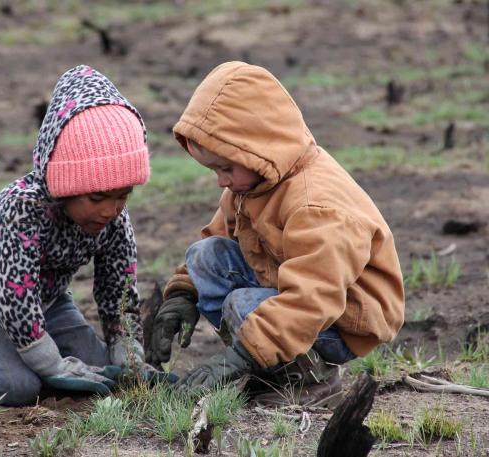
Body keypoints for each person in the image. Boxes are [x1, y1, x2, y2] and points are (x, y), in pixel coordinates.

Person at [147, 61, 405, 405]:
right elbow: (216, 237)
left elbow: (315, 298)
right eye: (214, 170)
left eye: (226, 168)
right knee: (204, 257)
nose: (221, 181)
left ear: (258, 149)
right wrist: (182, 296)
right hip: (293, 290)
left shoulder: (316, 205)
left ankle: (312, 379)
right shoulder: (252, 184)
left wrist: (240, 356)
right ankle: (273, 364)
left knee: (242, 305)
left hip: (342, 318)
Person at [0, 65, 160, 406]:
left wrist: (129, 355)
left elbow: (118, 291)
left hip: (50, 301)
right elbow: (16, 300)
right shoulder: (22, 209)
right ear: (66, 185)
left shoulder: (114, 219)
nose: (112, 210)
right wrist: (49, 362)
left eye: (124, 195)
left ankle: (37, 357)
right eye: (98, 197)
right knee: (16, 388)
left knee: (103, 371)